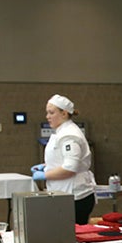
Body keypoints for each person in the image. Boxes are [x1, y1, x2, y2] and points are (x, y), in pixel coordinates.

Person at [31, 94, 95, 224]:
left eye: (51, 112)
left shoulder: (69, 135)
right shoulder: (61, 132)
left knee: (71, 238)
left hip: (75, 197)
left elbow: (70, 168)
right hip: (65, 195)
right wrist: (46, 165)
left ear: (64, 113)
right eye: (47, 113)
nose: (47, 116)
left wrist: (45, 175)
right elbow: (63, 158)